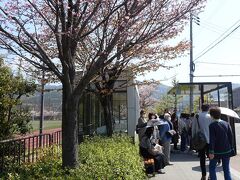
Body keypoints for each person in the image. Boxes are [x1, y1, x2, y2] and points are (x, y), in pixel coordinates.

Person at [209, 107, 235, 180]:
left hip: (216, 151)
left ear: (211, 115)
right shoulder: (226, 123)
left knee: (212, 168)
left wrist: (211, 151)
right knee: (226, 169)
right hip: (227, 149)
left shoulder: (212, 125)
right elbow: (231, 136)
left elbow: (212, 139)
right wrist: (232, 148)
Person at [192, 104, 212, 180]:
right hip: (209, 140)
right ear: (208, 109)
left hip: (200, 141)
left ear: (201, 108)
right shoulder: (210, 116)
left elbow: (193, 128)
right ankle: (211, 175)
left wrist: (193, 138)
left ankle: (203, 175)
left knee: (202, 158)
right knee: (211, 158)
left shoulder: (197, 116)